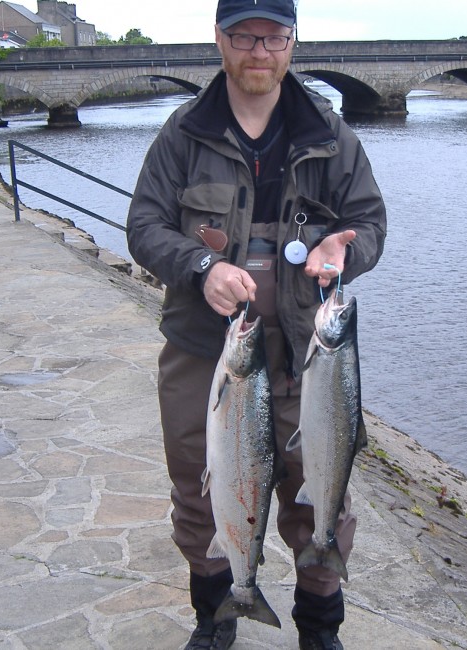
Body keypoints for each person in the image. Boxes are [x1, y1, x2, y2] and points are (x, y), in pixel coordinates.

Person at [126, 1, 386, 648]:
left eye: (273, 37)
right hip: (203, 348)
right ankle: (218, 613)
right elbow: (143, 227)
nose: (259, 51)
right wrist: (199, 266)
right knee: (201, 482)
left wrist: (343, 252)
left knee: (321, 484)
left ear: (292, 42)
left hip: (308, 348)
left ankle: (319, 627)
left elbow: (373, 223)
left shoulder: (330, 134)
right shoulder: (182, 134)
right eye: (245, 36)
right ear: (220, 39)